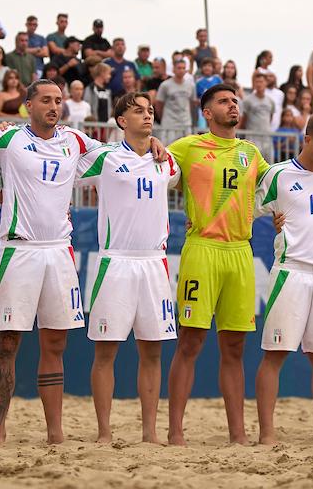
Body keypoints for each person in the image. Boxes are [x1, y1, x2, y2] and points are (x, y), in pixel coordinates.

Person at [0, 80, 162, 444]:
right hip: (19, 250)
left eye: (59, 101)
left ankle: (55, 432)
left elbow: (125, 151)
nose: (54, 106)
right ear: (28, 105)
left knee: (55, 345)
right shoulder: (7, 138)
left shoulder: (76, 141)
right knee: (7, 344)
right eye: (46, 100)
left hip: (59, 251)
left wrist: (154, 142)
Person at [167, 84, 270, 446]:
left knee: (235, 347)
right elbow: (149, 160)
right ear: (207, 112)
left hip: (241, 251)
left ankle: (238, 435)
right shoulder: (188, 147)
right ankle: (176, 432)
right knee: (190, 341)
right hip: (202, 249)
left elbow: (278, 187)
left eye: (235, 101)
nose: (233, 106)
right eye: (224, 101)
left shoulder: (251, 152)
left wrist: (277, 211)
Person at [76, 92, 180, 443]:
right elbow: (59, 149)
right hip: (115, 261)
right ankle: (104, 432)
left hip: (154, 262)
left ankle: (149, 433)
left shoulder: (166, 161)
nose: (147, 116)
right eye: (138, 111)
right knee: (106, 350)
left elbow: (178, 174)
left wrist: (158, 145)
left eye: (150, 111)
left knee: (152, 350)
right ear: (121, 120)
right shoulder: (104, 157)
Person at [255, 112, 313, 444]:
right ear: (306, 139)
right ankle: (266, 433)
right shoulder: (278, 175)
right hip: (290, 271)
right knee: (275, 354)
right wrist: (274, 224)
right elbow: (248, 211)